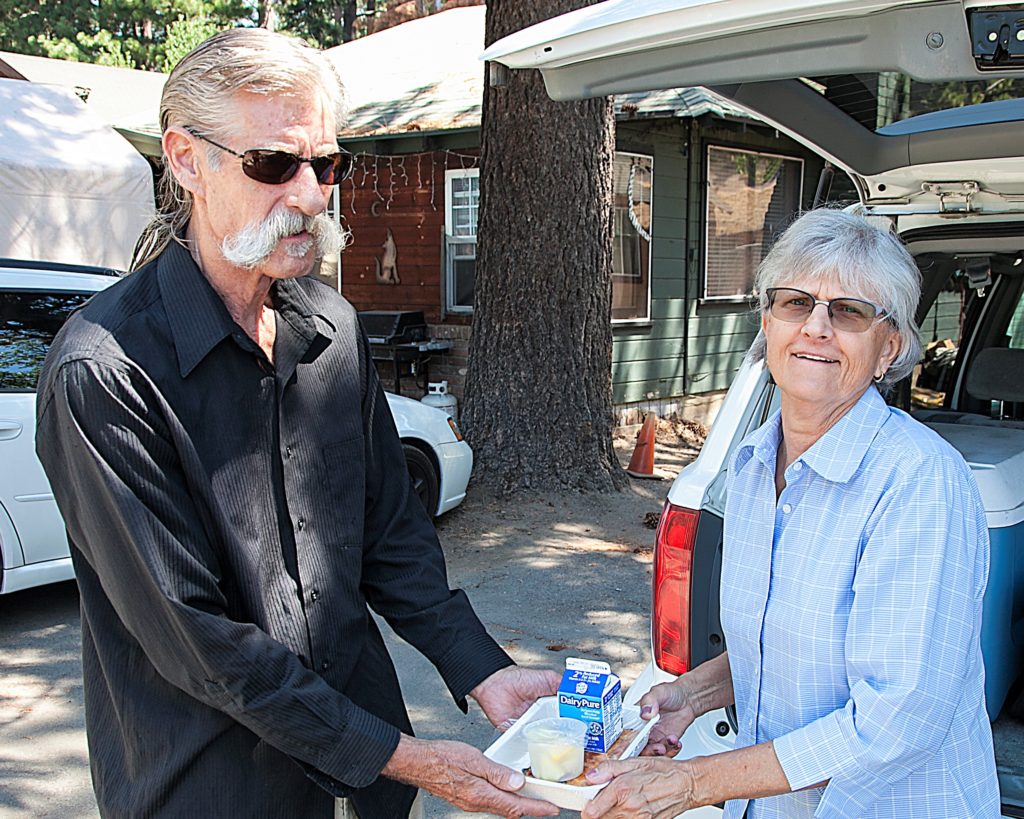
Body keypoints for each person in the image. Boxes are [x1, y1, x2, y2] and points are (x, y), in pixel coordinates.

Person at [35, 28, 560, 819]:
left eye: (325, 164)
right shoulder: (105, 371)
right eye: (274, 164)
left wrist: (482, 667)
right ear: (186, 160)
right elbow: (197, 639)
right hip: (213, 788)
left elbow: (390, 533)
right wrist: (409, 757)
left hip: (371, 779)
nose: (312, 196)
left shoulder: (333, 328)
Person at [581, 209, 1000, 818]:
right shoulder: (751, 463)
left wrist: (696, 783)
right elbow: (776, 646)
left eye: (850, 311)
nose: (817, 328)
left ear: (889, 349)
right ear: (768, 323)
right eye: (796, 303)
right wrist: (691, 695)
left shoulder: (919, 483)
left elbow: (895, 721)